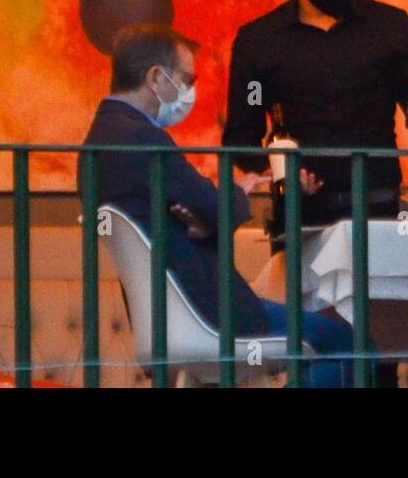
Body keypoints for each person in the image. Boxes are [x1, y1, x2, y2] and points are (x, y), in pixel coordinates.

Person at [81, 22, 361, 387]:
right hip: (213, 316)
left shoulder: (100, 140)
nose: (190, 90)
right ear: (155, 77)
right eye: (187, 79)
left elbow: (199, 212)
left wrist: (204, 220)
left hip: (167, 320)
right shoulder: (142, 139)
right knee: (350, 346)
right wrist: (236, 194)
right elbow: (214, 207)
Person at [223, 0, 408, 231]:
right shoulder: (259, 42)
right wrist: (282, 170)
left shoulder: (390, 27)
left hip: (379, 205)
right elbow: (241, 136)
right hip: (300, 215)